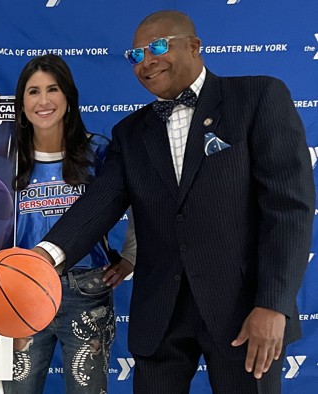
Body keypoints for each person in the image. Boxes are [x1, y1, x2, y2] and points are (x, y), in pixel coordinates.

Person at [35, 10, 314, 394]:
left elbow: (288, 211)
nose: (146, 62)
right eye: (136, 56)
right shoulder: (129, 133)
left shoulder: (258, 96)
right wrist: (44, 256)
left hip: (245, 311)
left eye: (158, 47)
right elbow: (99, 202)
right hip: (160, 317)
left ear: (195, 46)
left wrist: (273, 304)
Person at [3, 55, 136, 394]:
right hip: (20, 289)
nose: (43, 101)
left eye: (53, 89)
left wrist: (132, 256)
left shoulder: (98, 151)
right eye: (33, 92)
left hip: (86, 288)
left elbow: (142, 202)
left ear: (68, 98)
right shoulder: (3, 156)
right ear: (21, 102)